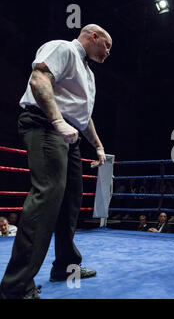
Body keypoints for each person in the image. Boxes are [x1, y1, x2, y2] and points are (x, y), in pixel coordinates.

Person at [0, 24, 112, 299]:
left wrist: (97, 146)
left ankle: (65, 266)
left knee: (72, 200)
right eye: (107, 45)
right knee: (48, 194)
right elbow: (38, 79)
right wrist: (58, 120)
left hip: (68, 135)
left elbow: (83, 116)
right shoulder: (63, 48)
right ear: (92, 36)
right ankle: (15, 286)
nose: (108, 52)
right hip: (45, 125)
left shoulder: (88, 73)